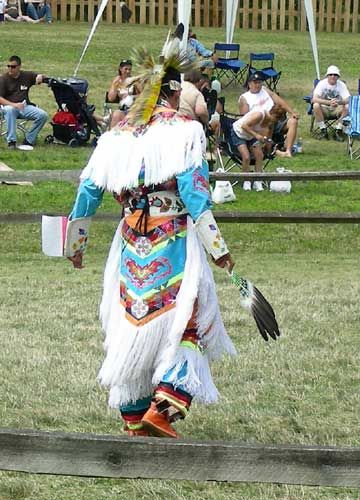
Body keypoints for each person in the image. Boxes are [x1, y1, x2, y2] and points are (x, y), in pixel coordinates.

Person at [66, 37, 236, 439]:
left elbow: (88, 191)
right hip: (173, 239)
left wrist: (76, 246)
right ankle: (162, 407)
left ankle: (134, 418)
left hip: (128, 246)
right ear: (174, 91)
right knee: (184, 321)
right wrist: (219, 249)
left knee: (130, 322)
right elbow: (195, 194)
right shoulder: (185, 131)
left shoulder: (116, 137)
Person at [239, 71, 300, 158]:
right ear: (249, 84)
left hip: (276, 119)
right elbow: (244, 119)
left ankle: (288, 150)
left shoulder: (264, 90)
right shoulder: (244, 98)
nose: (258, 85)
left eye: (259, 82)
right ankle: (271, 150)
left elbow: (280, 101)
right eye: (255, 83)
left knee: (293, 122)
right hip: (261, 124)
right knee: (269, 123)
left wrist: (292, 112)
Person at [0, 55, 48, 149]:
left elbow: (40, 77)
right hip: (8, 107)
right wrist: (14, 105)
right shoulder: (3, 79)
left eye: (13, 67)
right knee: (10, 110)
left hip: (24, 107)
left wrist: (40, 76)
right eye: (8, 66)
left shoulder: (26, 76)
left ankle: (29, 140)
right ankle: (12, 142)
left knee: (43, 115)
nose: (10, 69)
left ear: (19, 67)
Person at [232, 101, 280, 192]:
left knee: (259, 155)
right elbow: (244, 126)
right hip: (239, 133)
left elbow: (266, 134)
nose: (275, 121)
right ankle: (246, 181)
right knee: (246, 157)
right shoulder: (259, 115)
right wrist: (257, 136)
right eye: (276, 118)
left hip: (251, 136)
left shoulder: (270, 121)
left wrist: (267, 143)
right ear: (272, 113)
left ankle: (258, 180)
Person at [312, 65, 350, 141]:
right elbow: (314, 99)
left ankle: (338, 130)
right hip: (324, 109)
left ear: (338, 76)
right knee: (315, 105)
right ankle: (323, 130)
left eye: (335, 75)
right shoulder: (322, 84)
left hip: (337, 109)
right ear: (327, 76)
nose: (333, 76)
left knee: (347, 106)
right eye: (331, 74)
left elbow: (349, 99)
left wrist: (339, 102)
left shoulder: (341, 85)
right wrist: (328, 102)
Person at [106, 59, 140, 129]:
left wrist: (132, 97)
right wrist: (114, 86)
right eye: (126, 69)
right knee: (116, 114)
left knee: (118, 115)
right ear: (120, 69)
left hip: (133, 110)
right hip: (122, 110)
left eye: (129, 69)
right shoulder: (117, 81)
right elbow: (111, 98)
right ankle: (112, 136)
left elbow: (142, 96)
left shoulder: (134, 82)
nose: (128, 71)